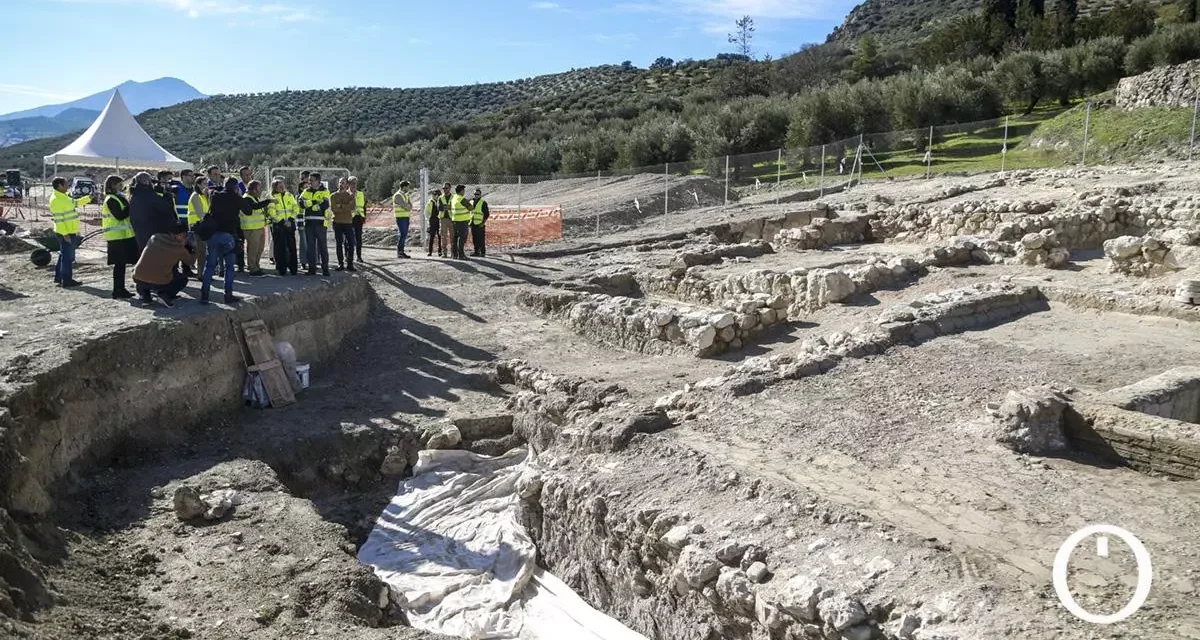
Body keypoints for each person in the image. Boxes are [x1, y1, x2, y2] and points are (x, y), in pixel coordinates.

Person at [201, 177, 251, 304]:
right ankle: (228, 295)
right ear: (236, 188)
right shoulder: (237, 198)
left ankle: (205, 295)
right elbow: (248, 211)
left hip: (213, 234)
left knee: (210, 265)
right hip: (228, 235)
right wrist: (240, 196)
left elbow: (212, 193)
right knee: (229, 266)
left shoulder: (216, 196)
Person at [133, 223, 193, 307]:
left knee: (145, 272)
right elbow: (190, 262)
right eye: (184, 235)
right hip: (158, 282)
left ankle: (145, 296)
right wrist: (194, 250)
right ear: (178, 235)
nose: (185, 237)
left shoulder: (155, 237)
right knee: (182, 280)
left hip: (137, 276)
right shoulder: (179, 248)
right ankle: (164, 295)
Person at [48, 176, 91, 287]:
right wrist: (65, 234)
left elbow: (75, 203)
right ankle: (67, 280)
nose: (68, 186)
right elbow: (59, 219)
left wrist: (88, 198)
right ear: (59, 186)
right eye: (66, 184)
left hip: (69, 231)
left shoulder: (64, 197)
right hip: (65, 232)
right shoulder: (57, 200)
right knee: (67, 258)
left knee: (64, 255)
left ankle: (59, 277)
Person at [100, 175, 137, 298]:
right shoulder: (111, 199)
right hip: (116, 237)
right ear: (113, 185)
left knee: (122, 265)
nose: (122, 186)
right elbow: (120, 215)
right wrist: (130, 205)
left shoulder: (119, 197)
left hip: (124, 235)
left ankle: (121, 289)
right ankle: (118, 290)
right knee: (119, 265)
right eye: (120, 184)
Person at [300, 172, 331, 276]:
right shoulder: (306, 191)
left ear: (318, 181)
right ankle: (312, 269)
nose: (309, 182)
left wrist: (310, 204)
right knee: (310, 247)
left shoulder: (325, 191)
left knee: (323, 247)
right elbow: (301, 203)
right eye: (309, 180)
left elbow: (325, 204)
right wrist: (315, 203)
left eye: (312, 180)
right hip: (308, 223)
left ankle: (325, 269)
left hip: (320, 223)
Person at [240, 180, 273, 276]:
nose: (260, 190)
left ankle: (256, 265)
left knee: (260, 248)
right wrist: (268, 201)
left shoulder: (255, 198)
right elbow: (254, 207)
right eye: (259, 188)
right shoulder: (247, 198)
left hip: (259, 227)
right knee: (253, 249)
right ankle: (252, 268)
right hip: (251, 228)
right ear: (254, 190)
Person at [268, 178, 299, 276]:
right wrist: (281, 221)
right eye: (279, 186)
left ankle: (293, 268)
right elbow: (271, 212)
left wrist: (291, 219)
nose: (282, 187)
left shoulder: (289, 195)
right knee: (280, 248)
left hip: (290, 224)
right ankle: (282, 268)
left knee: (292, 247)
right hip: (278, 225)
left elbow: (295, 208)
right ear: (275, 187)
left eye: (283, 185)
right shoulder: (272, 197)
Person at [330, 177, 356, 272]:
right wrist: (346, 206)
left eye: (344, 183)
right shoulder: (333, 196)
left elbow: (352, 207)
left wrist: (340, 206)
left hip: (348, 222)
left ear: (347, 184)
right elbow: (334, 209)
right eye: (340, 182)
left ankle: (350, 263)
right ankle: (340, 263)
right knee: (339, 244)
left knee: (351, 243)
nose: (342, 184)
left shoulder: (351, 196)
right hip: (337, 222)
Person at [188, 179, 211, 280]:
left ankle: (201, 273)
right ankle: (200, 274)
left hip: (202, 226)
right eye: (204, 184)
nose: (206, 186)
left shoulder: (202, 196)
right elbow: (200, 214)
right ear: (198, 184)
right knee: (200, 251)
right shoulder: (196, 196)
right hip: (197, 226)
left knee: (202, 251)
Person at [449, 184, 473, 260]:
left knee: (456, 238)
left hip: (455, 220)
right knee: (462, 238)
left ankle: (454, 254)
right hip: (462, 221)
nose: (464, 192)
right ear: (461, 191)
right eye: (463, 190)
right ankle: (461, 255)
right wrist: (471, 203)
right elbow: (470, 207)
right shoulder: (461, 199)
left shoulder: (454, 198)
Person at [392, 180, 413, 258]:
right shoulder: (397, 195)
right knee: (402, 234)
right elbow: (405, 205)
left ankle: (402, 251)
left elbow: (410, 206)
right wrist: (408, 207)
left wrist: (408, 207)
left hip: (406, 217)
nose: (408, 188)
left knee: (404, 234)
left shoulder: (406, 195)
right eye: (408, 186)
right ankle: (400, 252)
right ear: (404, 187)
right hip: (400, 217)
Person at [348, 176, 367, 261]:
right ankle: (347, 256)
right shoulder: (346, 193)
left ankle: (359, 256)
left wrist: (364, 217)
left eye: (355, 183)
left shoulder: (360, 194)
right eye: (352, 183)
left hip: (359, 217)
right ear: (349, 184)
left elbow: (363, 206)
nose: (354, 185)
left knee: (359, 238)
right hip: (349, 218)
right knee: (348, 238)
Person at [469, 187, 489, 257]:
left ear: (480, 194)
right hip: (473, 223)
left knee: (481, 239)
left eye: (477, 194)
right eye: (475, 194)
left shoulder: (483, 202)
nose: (476, 195)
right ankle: (476, 251)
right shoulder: (471, 202)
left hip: (480, 224)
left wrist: (483, 223)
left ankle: (482, 252)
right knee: (475, 238)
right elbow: (470, 212)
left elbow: (486, 214)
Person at [296, 170, 311, 259]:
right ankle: (304, 260)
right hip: (302, 221)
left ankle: (314, 260)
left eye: (303, 178)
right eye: (301, 179)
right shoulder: (299, 195)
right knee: (303, 242)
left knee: (312, 242)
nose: (301, 180)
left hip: (311, 221)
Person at [426, 188, 443, 257]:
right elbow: (426, 212)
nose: (433, 195)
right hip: (433, 221)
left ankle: (440, 251)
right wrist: (429, 220)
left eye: (435, 194)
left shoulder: (441, 202)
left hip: (439, 220)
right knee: (432, 236)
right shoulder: (430, 202)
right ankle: (430, 251)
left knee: (440, 236)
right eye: (433, 194)